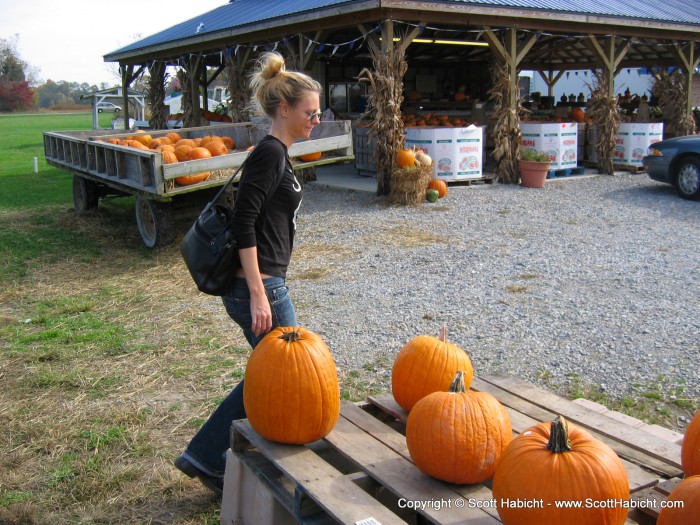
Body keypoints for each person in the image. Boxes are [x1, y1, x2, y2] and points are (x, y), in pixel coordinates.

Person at [174, 51, 322, 495]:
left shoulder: (278, 153)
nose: (316, 119)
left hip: (267, 282)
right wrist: (258, 292)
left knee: (275, 370)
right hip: (259, 286)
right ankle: (209, 458)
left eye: (318, 113)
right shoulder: (270, 154)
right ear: (285, 109)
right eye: (310, 112)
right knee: (287, 372)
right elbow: (243, 223)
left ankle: (213, 457)